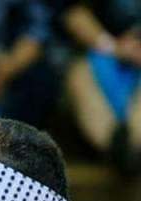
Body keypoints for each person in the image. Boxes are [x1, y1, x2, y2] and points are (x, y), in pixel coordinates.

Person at [58, 0, 141, 174]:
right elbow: (73, 14)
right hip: (103, 57)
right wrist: (114, 47)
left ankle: (133, 148)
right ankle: (118, 150)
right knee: (79, 76)